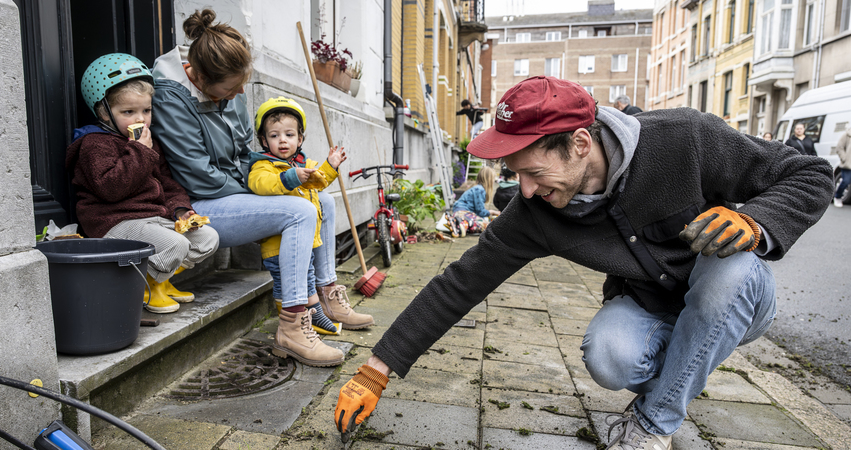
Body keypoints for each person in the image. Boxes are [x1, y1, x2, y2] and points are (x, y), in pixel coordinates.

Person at [334, 76, 833, 449]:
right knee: (608, 355)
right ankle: (684, 370)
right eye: (515, 174)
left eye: (532, 172)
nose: (524, 190)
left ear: (578, 143)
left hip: (738, 297)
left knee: (731, 269)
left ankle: (650, 427)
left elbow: (811, 174)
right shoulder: (537, 211)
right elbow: (459, 283)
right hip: (654, 308)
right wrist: (377, 369)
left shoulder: (686, 139)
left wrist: (759, 220)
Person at [150, 9, 368, 365]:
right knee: (299, 210)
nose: (239, 93)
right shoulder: (170, 96)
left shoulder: (227, 83)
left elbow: (242, 150)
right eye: (231, 89)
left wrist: (274, 175)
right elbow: (199, 176)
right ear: (200, 77)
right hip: (203, 205)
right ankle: (292, 327)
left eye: (242, 85)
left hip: (236, 192)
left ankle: (325, 294)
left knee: (322, 201)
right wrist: (259, 188)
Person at [66, 53, 220, 314]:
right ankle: (148, 287)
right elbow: (111, 188)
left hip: (151, 217)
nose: (140, 119)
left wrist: (181, 210)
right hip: (115, 222)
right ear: (104, 112)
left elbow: (166, 184)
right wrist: (139, 151)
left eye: (146, 110)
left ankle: (159, 279)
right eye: (128, 112)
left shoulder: (148, 143)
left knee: (207, 238)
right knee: (176, 244)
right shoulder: (95, 145)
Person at [248, 97, 374, 366]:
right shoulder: (264, 165)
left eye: (289, 135)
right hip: (280, 246)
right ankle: (293, 326)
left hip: (304, 243)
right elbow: (261, 185)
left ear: (300, 138)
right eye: (275, 135)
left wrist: (331, 165)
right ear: (263, 141)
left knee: (306, 279)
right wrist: (291, 177)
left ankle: (314, 316)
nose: (283, 141)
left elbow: (320, 180)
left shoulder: (301, 162)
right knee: (286, 285)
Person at [450, 166, 499, 236]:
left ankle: (461, 225)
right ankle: (462, 224)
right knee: (489, 226)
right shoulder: (480, 190)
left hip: (459, 212)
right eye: (493, 179)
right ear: (489, 180)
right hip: (463, 213)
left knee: (484, 223)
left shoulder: (477, 188)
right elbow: (480, 212)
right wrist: (492, 212)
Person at [833, 126, 851, 207]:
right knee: (846, 181)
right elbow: (839, 147)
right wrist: (844, 158)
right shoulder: (847, 135)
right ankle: (837, 197)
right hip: (848, 164)